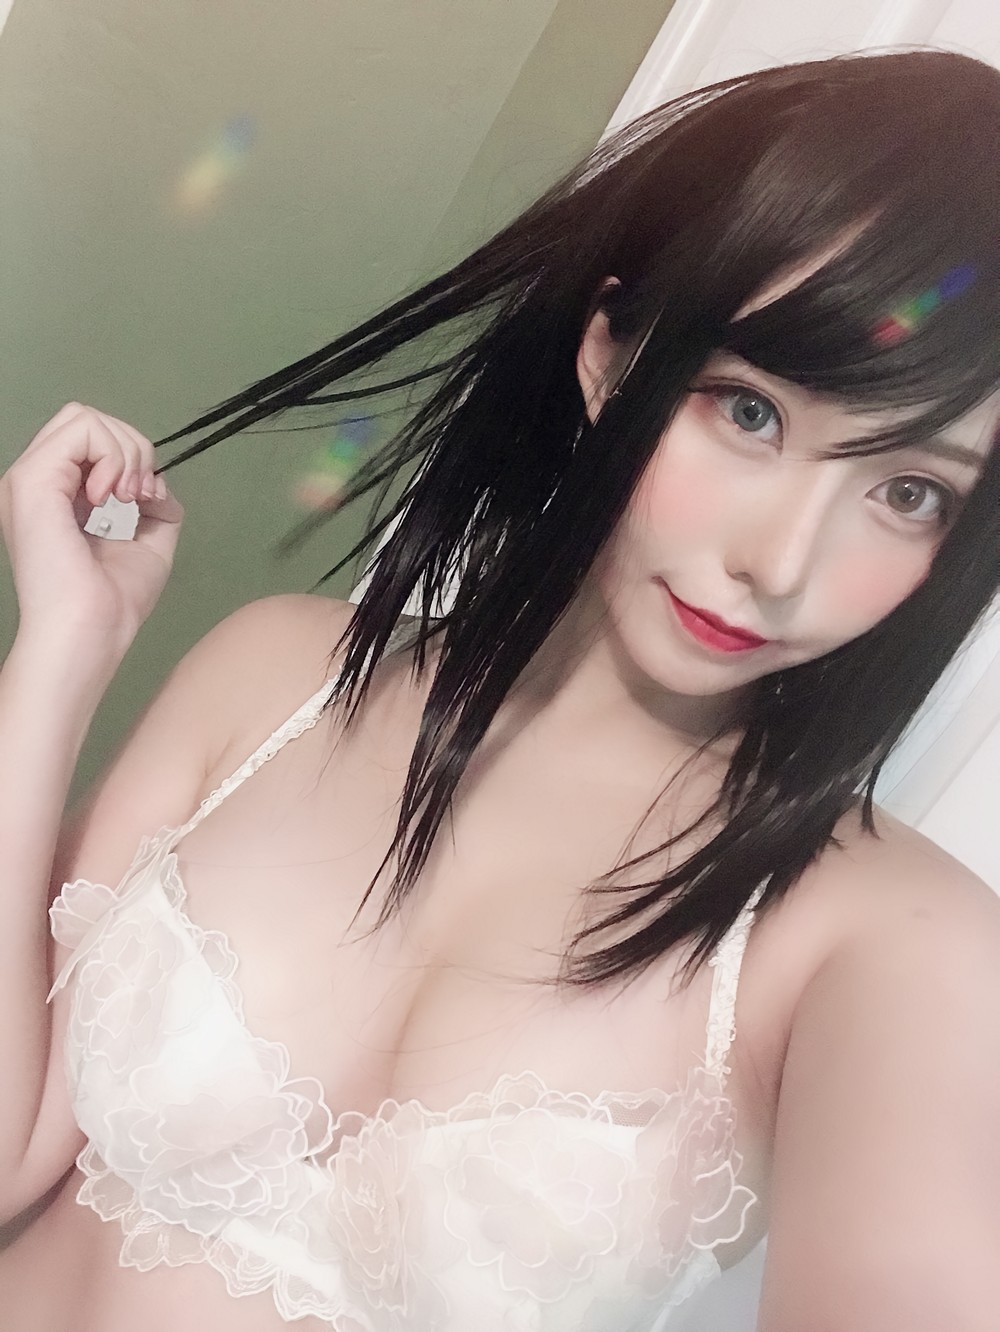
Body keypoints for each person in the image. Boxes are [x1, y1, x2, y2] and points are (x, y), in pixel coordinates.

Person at [1, 46, 1000, 1332]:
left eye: (907, 491)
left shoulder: (889, 942)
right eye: (748, 413)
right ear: (608, 354)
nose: (781, 562)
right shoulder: (275, 673)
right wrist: (60, 657)